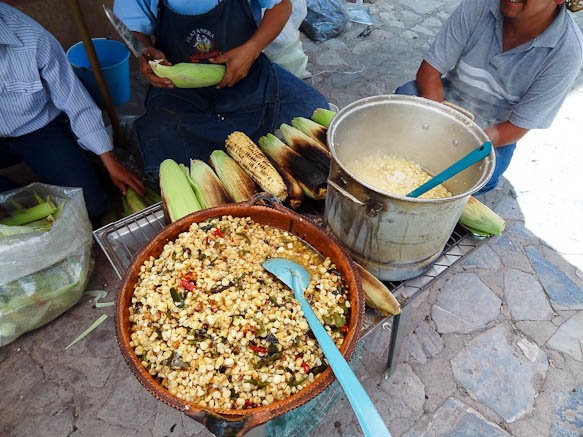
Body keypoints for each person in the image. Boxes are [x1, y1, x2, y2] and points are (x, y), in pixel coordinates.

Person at [114, 0, 329, 177]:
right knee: (161, 139)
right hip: (179, 89)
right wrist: (146, 52)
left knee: (312, 111)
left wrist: (251, 50)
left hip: (246, 75)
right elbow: (133, 29)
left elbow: (281, 5)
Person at [395, 0, 583, 194]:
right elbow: (430, 72)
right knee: (403, 101)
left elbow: (517, 128)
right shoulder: (479, 5)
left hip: (496, 129)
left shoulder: (566, 50)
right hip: (446, 99)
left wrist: (454, 145)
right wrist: (440, 124)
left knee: (484, 176)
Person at [0, 2, 143, 219]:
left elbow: (74, 100)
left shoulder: (33, 39)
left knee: (91, 207)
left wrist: (109, 160)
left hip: (37, 128)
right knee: (9, 210)